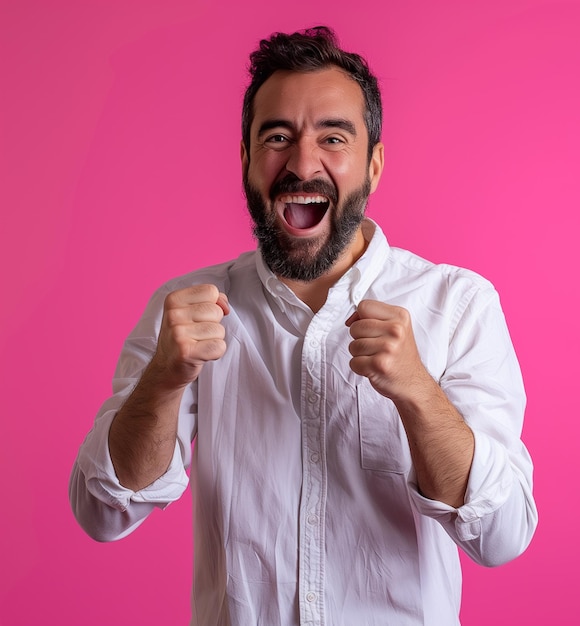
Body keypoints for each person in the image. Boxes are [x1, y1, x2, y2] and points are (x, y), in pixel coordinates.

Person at [70, 26, 537, 626]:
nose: (302, 163)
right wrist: (163, 379)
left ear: (373, 164)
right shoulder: (184, 311)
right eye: (277, 136)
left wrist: (420, 393)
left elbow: (501, 538)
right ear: (245, 160)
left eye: (333, 137)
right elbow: (102, 514)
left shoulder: (459, 304)